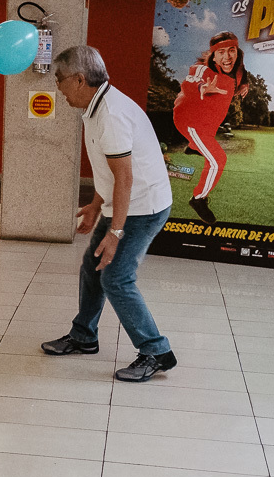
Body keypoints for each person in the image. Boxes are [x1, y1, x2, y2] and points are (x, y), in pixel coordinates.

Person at [41, 45, 177, 383]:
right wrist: (95, 204)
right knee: (92, 266)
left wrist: (115, 233)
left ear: (79, 79)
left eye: (59, 78)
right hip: (124, 202)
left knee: (115, 277)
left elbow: (125, 178)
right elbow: (110, 172)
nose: (57, 86)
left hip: (142, 207)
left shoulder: (111, 115)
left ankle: (157, 352)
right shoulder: (95, 106)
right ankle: (84, 336)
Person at [173, 31, 250, 225]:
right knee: (218, 160)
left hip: (207, 122)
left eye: (231, 50)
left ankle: (193, 147)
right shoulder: (203, 70)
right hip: (189, 120)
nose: (227, 57)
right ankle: (198, 199)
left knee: (207, 136)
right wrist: (202, 88)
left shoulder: (238, 69)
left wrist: (245, 85)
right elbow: (190, 81)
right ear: (213, 56)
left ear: (237, 51)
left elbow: (242, 74)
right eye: (221, 52)